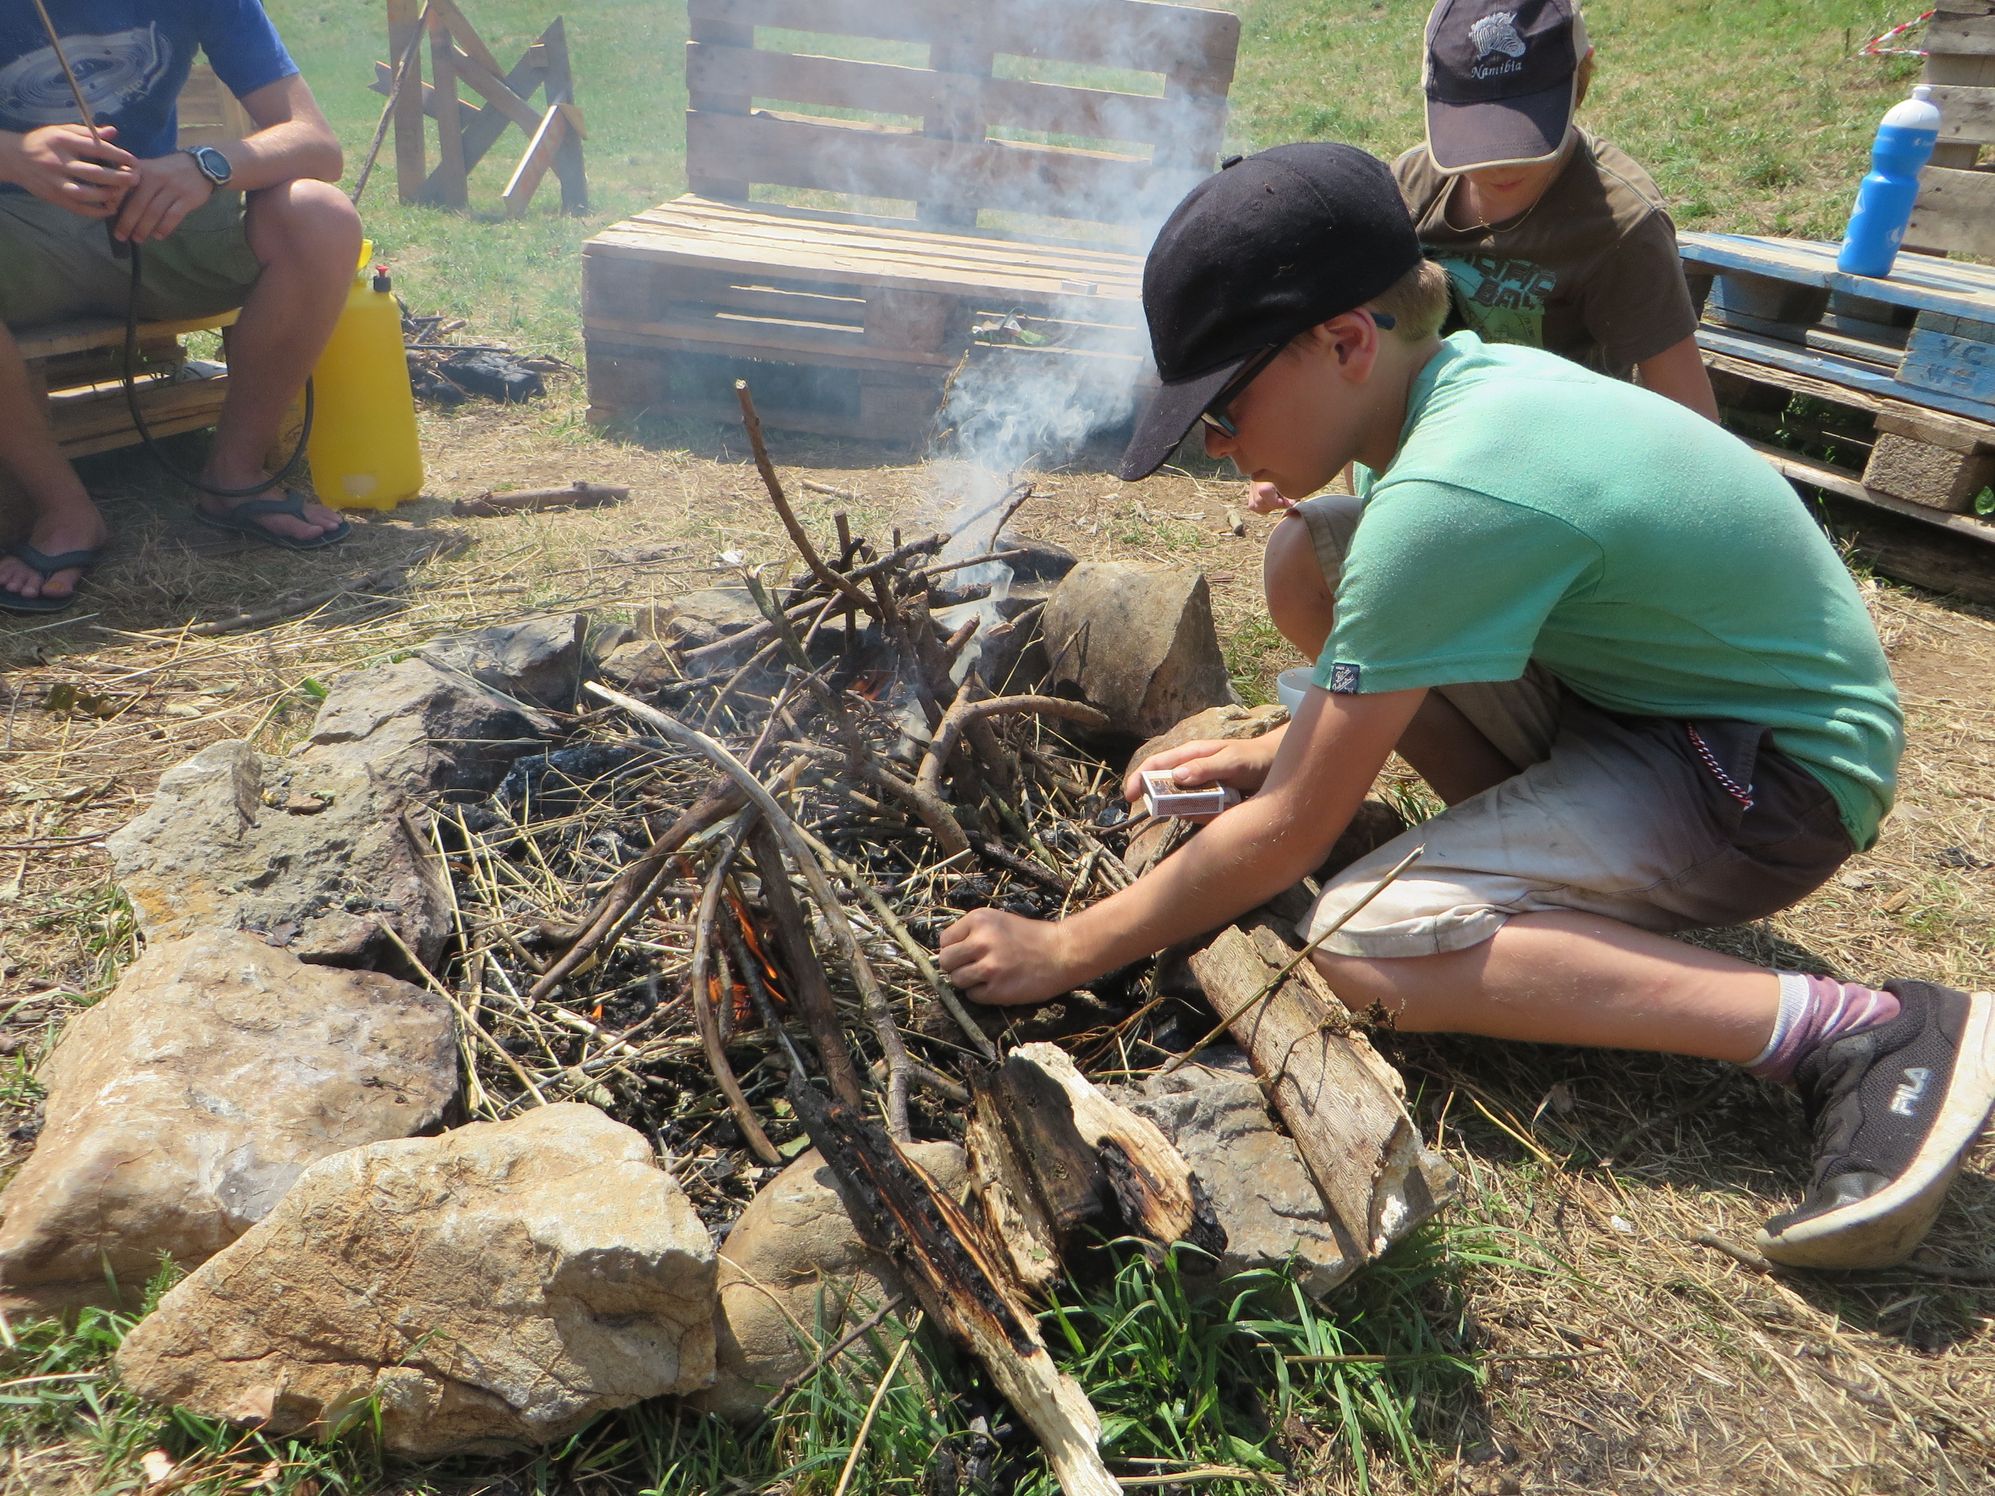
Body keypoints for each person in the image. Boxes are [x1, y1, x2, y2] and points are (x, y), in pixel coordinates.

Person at [937, 142, 1995, 1271]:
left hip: (1767, 779)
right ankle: (1544, 871)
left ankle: (1859, 1032)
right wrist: (1285, 745)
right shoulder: (1441, 400)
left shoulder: (1448, 493)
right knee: (1312, 556)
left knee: (1356, 942)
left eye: (1227, 404)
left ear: (1345, 341)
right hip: (1650, 707)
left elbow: (1290, 833)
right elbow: (1401, 642)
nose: (1217, 441)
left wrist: (1069, 944)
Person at [1245, 0, 1715, 519]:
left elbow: (1692, 423)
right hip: (1417, 457)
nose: (1498, 164)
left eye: (1527, 133)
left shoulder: (1620, 225)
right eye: (1476, 135)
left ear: (1579, 82)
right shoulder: (1411, 188)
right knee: (1299, 546)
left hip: (1552, 483)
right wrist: (1291, 446)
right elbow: (1348, 340)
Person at [0, 0, 361, 614]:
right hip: (17, 233)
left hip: (156, 223)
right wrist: (13, 154)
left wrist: (207, 165)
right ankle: (62, 508)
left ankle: (236, 474)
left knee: (320, 216)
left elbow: (316, 143)